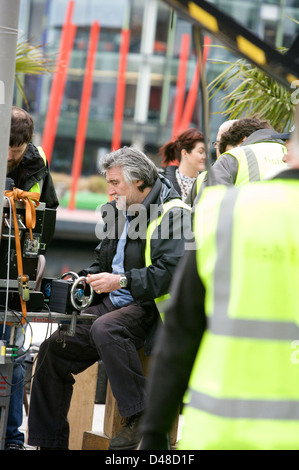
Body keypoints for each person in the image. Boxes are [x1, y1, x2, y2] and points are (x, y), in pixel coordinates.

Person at [139, 123, 299, 450]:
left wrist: (155, 432)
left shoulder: (223, 210)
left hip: (216, 434)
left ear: (290, 152)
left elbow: (182, 330)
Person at [27, 146, 191, 450]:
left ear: (139, 181)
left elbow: (173, 271)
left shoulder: (174, 213)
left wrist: (123, 280)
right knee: (52, 351)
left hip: (150, 307)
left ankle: (141, 415)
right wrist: (83, 279)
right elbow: (104, 262)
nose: (110, 189)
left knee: (106, 328)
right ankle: (48, 443)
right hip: (115, 302)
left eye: (115, 182)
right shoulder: (119, 209)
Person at [1, 106, 59, 450]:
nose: (10, 155)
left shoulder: (36, 161)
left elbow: (35, 207)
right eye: (6, 148)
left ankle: (11, 439)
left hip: (18, 262)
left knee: (15, 355)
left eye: (16, 150)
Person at [186, 119, 237, 205]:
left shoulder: (249, 173)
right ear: (184, 153)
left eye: (224, 143)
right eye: (218, 143)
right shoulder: (202, 179)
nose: (220, 149)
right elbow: (185, 215)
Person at [159, 128, 206, 201]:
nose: (205, 156)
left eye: (207, 152)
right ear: (184, 153)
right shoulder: (163, 184)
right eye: (201, 151)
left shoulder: (207, 183)